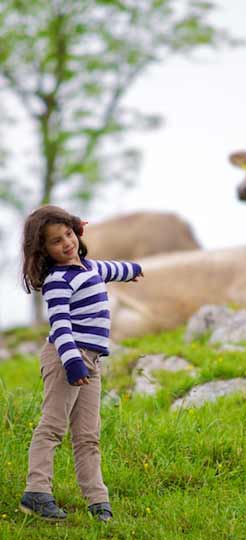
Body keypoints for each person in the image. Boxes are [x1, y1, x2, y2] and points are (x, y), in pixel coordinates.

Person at [19, 205, 143, 523]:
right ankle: (37, 492)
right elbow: (60, 325)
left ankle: (98, 502)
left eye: (68, 234)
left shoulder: (88, 267)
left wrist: (133, 268)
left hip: (91, 360)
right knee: (53, 427)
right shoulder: (58, 280)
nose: (66, 243)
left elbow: (111, 269)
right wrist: (72, 362)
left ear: (77, 232)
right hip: (66, 358)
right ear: (43, 250)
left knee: (88, 434)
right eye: (56, 241)